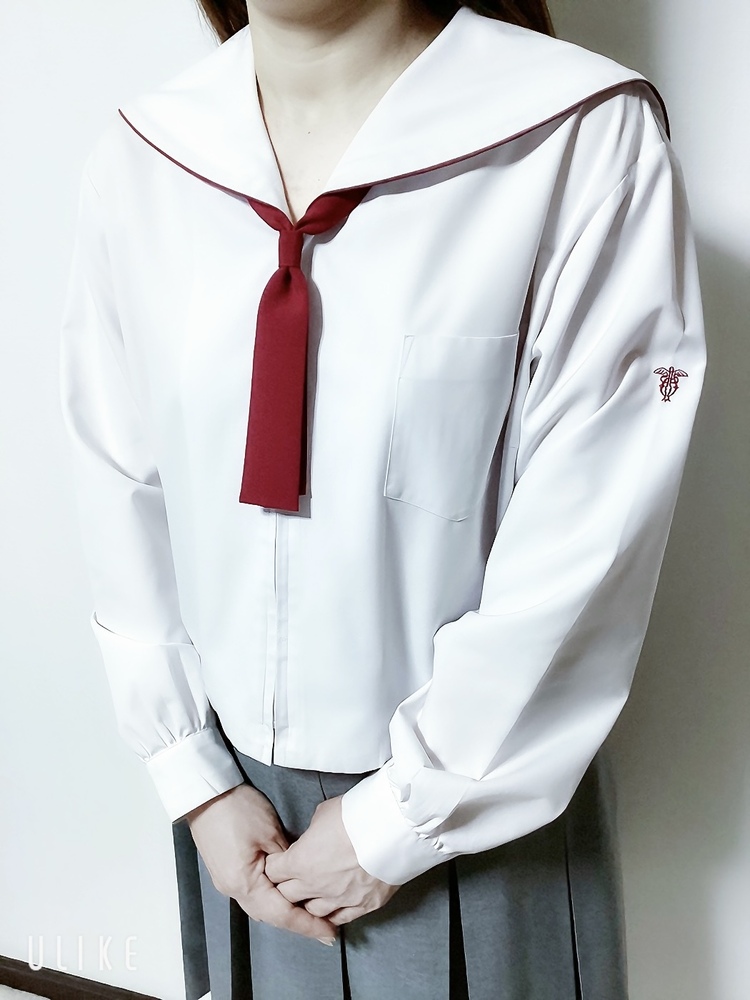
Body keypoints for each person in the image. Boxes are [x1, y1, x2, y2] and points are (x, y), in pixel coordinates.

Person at [58, 1, 706, 997]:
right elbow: (118, 478)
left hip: (480, 823)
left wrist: (399, 816)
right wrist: (192, 774)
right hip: (238, 827)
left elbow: (591, 533)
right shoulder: (147, 157)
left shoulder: (578, 138)